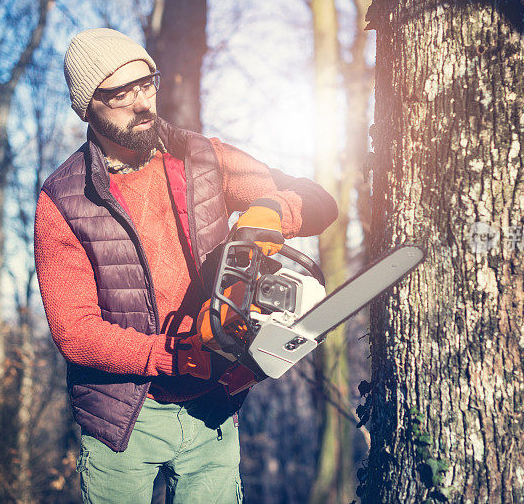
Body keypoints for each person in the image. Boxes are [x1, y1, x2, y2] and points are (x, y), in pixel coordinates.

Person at [34, 28, 337, 503]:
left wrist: (272, 211)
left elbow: (318, 198)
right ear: (87, 105)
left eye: (146, 84)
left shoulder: (203, 158)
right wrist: (173, 355)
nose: (141, 104)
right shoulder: (65, 198)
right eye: (120, 93)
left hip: (212, 408)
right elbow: (75, 331)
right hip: (123, 417)